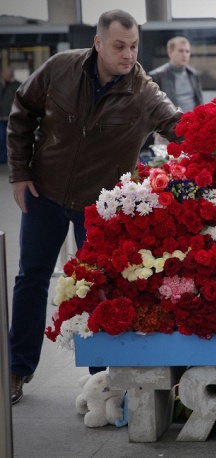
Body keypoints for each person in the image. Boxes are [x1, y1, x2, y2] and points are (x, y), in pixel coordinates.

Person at [6, 9, 183, 405]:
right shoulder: (59, 69)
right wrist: (19, 173)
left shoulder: (145, 92)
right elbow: (21, 113)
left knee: (99, 290)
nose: (128, 54)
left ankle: (100, 381)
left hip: (99, 209)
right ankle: (17, 370)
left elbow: (176, 125)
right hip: (45, 194)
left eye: (134, 46)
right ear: (98, 43)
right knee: (31, 279)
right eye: (119, 45)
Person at [149, 36, 203, 113]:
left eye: (187, 51)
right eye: (181, 51)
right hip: (170, 122)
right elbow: (153, 107)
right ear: (170, 52)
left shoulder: (193, 74)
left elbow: (199, 101)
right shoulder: (156, 76)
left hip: (193, 121)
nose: (184, 55)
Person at [0, 65, 22, 164]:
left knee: (7, 137)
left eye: (4, 73)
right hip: (1, 116)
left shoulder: (17, 85)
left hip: (10, 116)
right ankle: (3, 157)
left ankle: (5, 157)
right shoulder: (1, 85)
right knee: (1, 137)